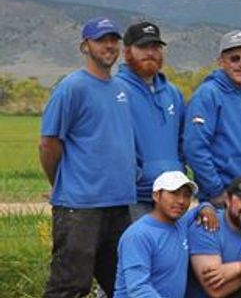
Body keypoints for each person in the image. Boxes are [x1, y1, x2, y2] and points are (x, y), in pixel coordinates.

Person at [39, 17, 134, 297]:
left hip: (118, 203)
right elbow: (48, 144)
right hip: (80, 206)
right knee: (71, 285)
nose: (109, 45)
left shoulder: (121, 89)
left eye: (113, 40)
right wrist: (60, 182)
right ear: (85, 46)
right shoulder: (72, 87)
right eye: (101, 40)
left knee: (122, 285)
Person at [184, 29, 241, 203]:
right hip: (221, 197)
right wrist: (216, 190)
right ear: (221, 62)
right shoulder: (207, 95)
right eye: (234, 58)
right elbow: (195, 148)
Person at [115, 21, 187, 221]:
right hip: (136, 197)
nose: (150, 53)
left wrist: (179, 170)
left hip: (172, 194)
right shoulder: (116, 90)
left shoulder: (173, 93)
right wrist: (135, 176)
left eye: (155, 47)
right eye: (142, 47)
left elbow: (183, 140)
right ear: (127, 51)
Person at [113, 171, 199, 298]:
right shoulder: (138, 235)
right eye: (174, 193)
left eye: (186, 195)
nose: (181, 201)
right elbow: (138, 289)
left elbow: (198, 209)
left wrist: (206, 208)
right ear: (156, 196)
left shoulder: (180, 223)